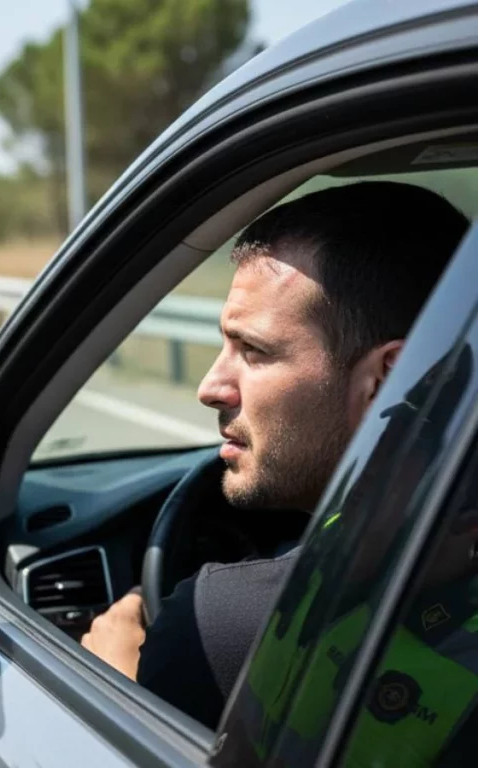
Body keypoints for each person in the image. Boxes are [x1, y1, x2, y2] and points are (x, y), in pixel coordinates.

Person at [80, 180, 470, 729]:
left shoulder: (224, 630)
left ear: (387, 378)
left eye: (254, 351)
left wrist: (117, 689)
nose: (211, 386)